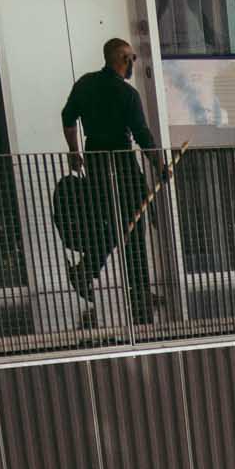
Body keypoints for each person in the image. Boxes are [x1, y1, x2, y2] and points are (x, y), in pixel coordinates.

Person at [60, 37, 158, 324]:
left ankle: (90, 271)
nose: (133, 65)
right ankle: (134, 289)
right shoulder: (127, 94)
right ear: (122, 59)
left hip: (96, 160)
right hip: (122, 162)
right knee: (133, 224)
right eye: (132, 59)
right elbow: (141, 133)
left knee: (113, 223)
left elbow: (67, 118)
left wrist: (74, 151)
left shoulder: (85, 84)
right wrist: (160, 164)